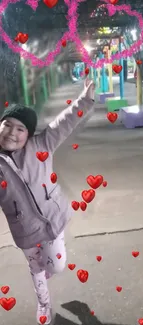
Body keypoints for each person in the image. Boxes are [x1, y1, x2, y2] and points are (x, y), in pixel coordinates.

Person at [0, 78, 95, 324]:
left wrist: (84, 100)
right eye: (7, 125)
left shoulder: (41, 144)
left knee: (57, 266)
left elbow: (64, 123)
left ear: (29, 134)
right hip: (25, 231)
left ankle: (49, 266)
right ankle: (44, 305)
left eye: (20, 129)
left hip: (53, 220)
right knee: (36, 270)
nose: (12, 132)